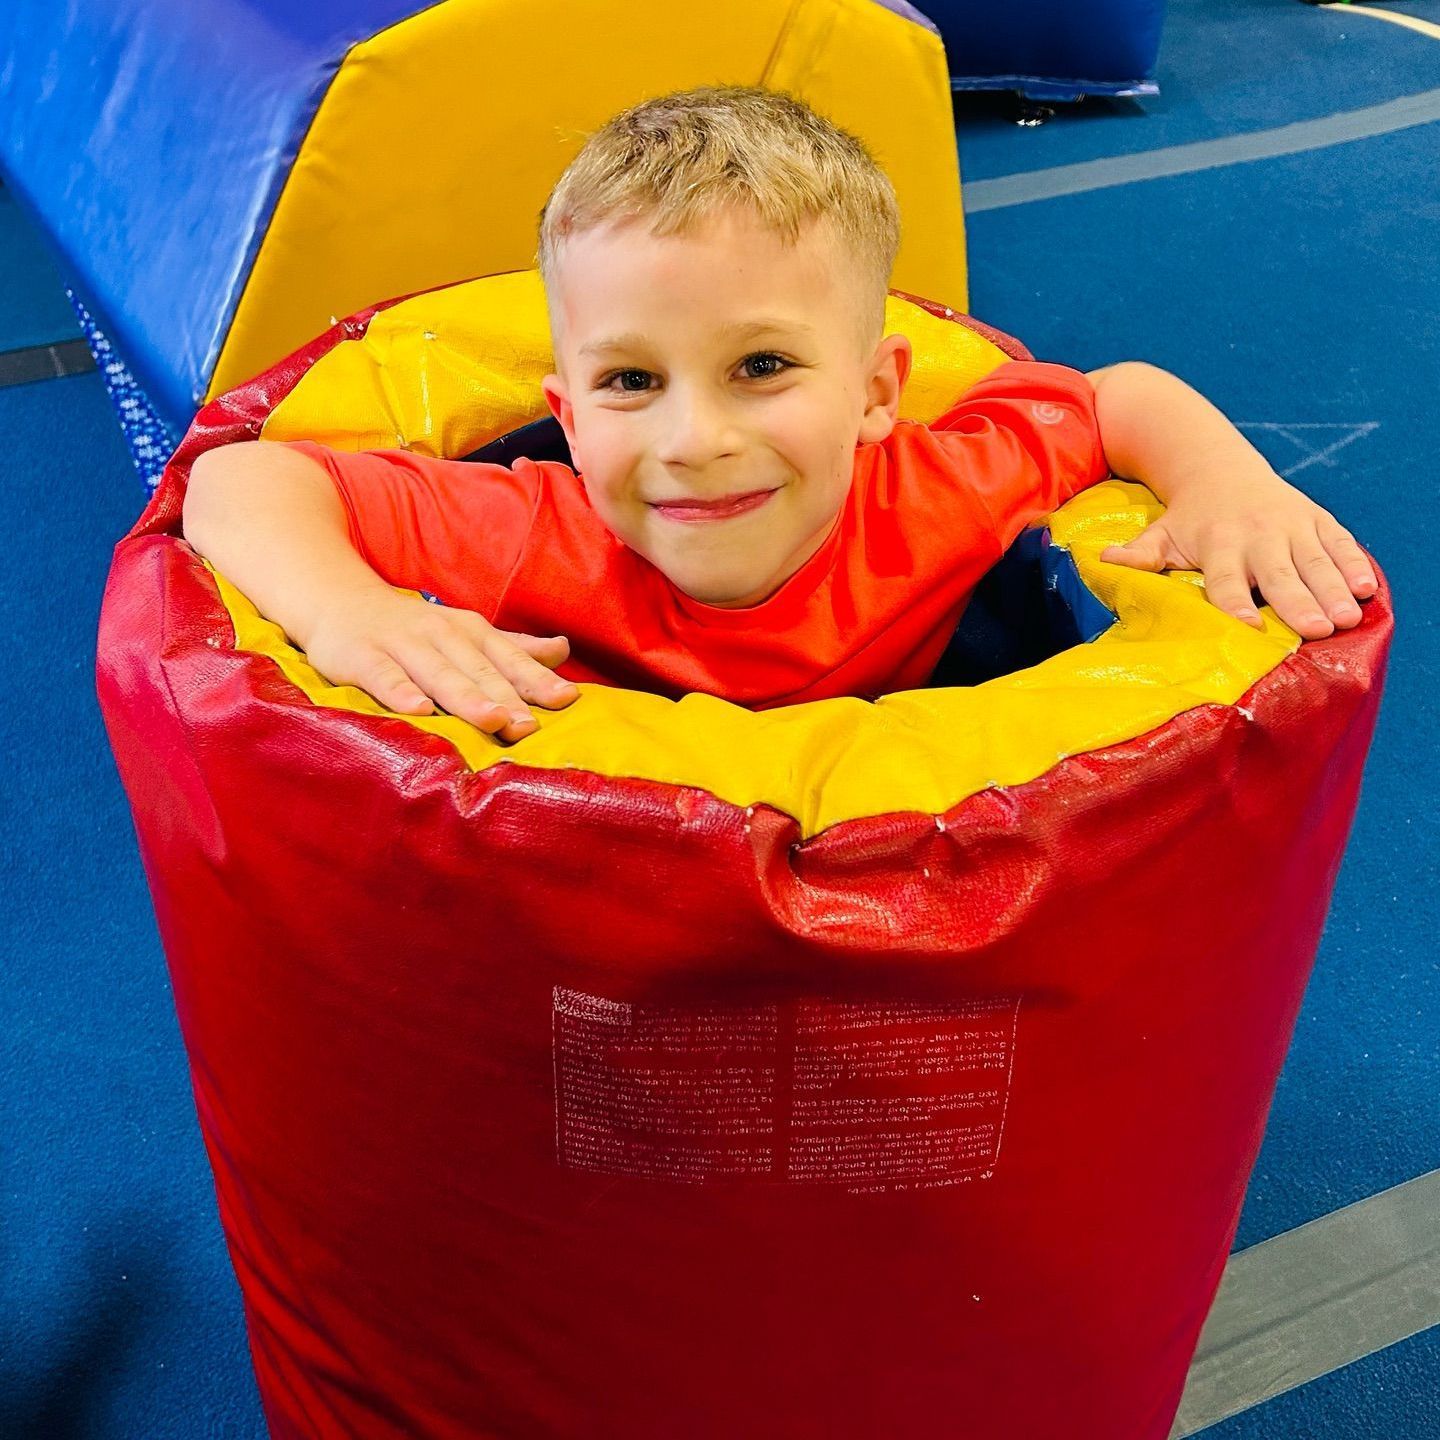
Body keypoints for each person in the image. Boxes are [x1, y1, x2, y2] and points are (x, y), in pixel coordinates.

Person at [182, 87, 1376, 745]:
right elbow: (239, 483)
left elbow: (1115, 396)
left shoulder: (939, 488)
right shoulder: (534, 528)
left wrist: (1230, 482)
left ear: (875, 395)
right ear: (566, 412)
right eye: (630, 382)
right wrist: (351, 612)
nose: (693, 440)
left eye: (760, 365)